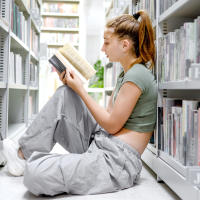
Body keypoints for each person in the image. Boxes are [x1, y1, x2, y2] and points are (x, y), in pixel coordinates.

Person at [1, 10, 157, 197]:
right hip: (103, 142)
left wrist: (81, 91)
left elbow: (113, 125)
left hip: (116, 161)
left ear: (125, 45)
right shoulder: (125, 74)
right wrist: (76, 89)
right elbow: (108, 116)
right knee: (65, 94)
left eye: (107, 43)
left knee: (36, 173)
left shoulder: (137, 75)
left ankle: (32, 160)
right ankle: (22, 155)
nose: (102, 49)